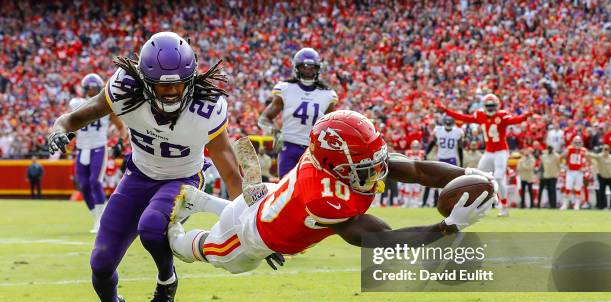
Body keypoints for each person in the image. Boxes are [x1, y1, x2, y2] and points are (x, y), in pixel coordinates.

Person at [47, 32, 243, 302]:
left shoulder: (206, 107)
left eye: (178, 84)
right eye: (163, 85)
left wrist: (251, 225)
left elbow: (232, 172)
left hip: (182, 181)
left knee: (152, 226)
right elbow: (74, 117)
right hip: (138, 177)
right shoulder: (125, 89)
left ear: (191, 79)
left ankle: (167, 280)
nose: (171, 92)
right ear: (144, 81)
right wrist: (59, 129)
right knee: (100, 264)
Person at [167, 110, 497, 277]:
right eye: (366, 166)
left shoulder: (338, 162)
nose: (378, 171)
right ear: (336, 167)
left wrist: (471, 175)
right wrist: (448, 226)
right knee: (212, 254)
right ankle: (171, 229)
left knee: (246, 205)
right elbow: (382, 241)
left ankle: (200, 200)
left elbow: (417, 169)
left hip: (270, 200)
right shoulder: (323, 198)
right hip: (251, 234)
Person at [436, 94, 532, 216]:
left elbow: (515, 120)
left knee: (498, 177)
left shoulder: (502, 115)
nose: (490, 108)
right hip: (488, 152)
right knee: (478, 178)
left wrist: (526, 116)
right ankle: (479, 206)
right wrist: (446, 111)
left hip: (501, 151)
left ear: (497, 106)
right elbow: (464, 117)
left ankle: (504, 206)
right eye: (488, 106)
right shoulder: (480, 115)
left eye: (492, 106)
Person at [257, 48, 337, 177]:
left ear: (318, 69)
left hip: (312, 149)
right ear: (296, 68)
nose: (308, 71)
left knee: (310, 191)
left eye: (312, 68)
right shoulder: (286, 88)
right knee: (286, 190)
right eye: (304, 67)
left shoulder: (328, 95)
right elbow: (264, 118)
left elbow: (330, 127)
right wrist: (275, 132)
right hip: (288, 146)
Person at [69, 73, 127, 233]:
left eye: (96, 88)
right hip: (82, 148)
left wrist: (120, 142)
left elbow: (121, 127)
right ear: (85, 88)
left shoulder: (105, 106)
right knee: (84, 185)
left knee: (95, 181)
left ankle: (101, 220)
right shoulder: (76, 104)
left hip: (98, 147)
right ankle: (96, 218)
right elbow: (70, 123)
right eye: (91, 88)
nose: (93, 91)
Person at [560, 136, 587, 210]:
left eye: (579, 142)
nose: (577, 143)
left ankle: (577, 205)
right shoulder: (569, 149)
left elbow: (588, 160)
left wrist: (585, 168)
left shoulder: (583, 150)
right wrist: (564, 166)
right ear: (573, 142)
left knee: (578, 188)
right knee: (568, 187)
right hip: (570, 171)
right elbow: (562, 157)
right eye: (576, 142)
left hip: (579, 172)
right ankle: (565, 204)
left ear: (581, 142)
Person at [587, 145, 611, 210]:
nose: (605, 151)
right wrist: (585, 151)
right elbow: (591, 155)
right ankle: (603, 206)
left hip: (610, 177)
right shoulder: (599, 156)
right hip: (602, 177)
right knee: (602, 192)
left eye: (607, 149)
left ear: (609, 150)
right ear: (602, 150)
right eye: (604, 149)